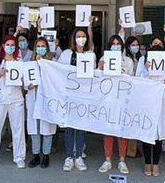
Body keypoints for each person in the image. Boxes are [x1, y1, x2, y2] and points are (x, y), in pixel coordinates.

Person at [0, 35, 26, 169]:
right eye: (7, 44)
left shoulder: (19, 61)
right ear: (3, 45)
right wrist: (0, 74)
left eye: (12, 45)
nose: (10, 47)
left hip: (15, 99)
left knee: (18, 129)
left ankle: (19, 157)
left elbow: (25, 79)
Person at [135, 36, 165, 177]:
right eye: (155, 43)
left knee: (159, 132)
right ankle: (147, 162)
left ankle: (156, 163)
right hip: (147, 98)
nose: (157, 45)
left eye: (160, 44)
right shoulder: (142, 60)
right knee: (147, 130)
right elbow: (138, 78)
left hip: (161, 97)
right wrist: (146, 70)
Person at [58, 28, 95, 172]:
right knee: (69, 127)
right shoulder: (67, 54)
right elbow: (59, 70)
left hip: (84, 95)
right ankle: (68, 157)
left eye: (83, 36)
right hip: (70, 94)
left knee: (80, 127)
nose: (81, 38)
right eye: (78, 36)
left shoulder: (90, 54)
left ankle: (78, 156)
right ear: (74, 39)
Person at [97, 35, 134, 174]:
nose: (116, 46)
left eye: (118, 43)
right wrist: (100, 68)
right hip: (108, 99)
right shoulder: (103, 59)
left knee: (122, 131)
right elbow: (97, 80)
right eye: (113, 43)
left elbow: (132, 80)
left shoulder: (128, 61)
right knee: (108, 131)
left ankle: (122, 161)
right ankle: (107, 160)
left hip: (123, 100)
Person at [27, 37, 57, 169]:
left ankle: (46, 155)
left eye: (43, 46)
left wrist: (42, 63)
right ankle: (35, 155)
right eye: (38, 46)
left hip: (47, 99)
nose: (40, 48)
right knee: (35, 129)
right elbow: (24, 80)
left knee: (47, 129)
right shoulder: (30, 63)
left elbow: (56, 79)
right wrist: (28, 86)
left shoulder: (53, 62)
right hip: (33, 98)